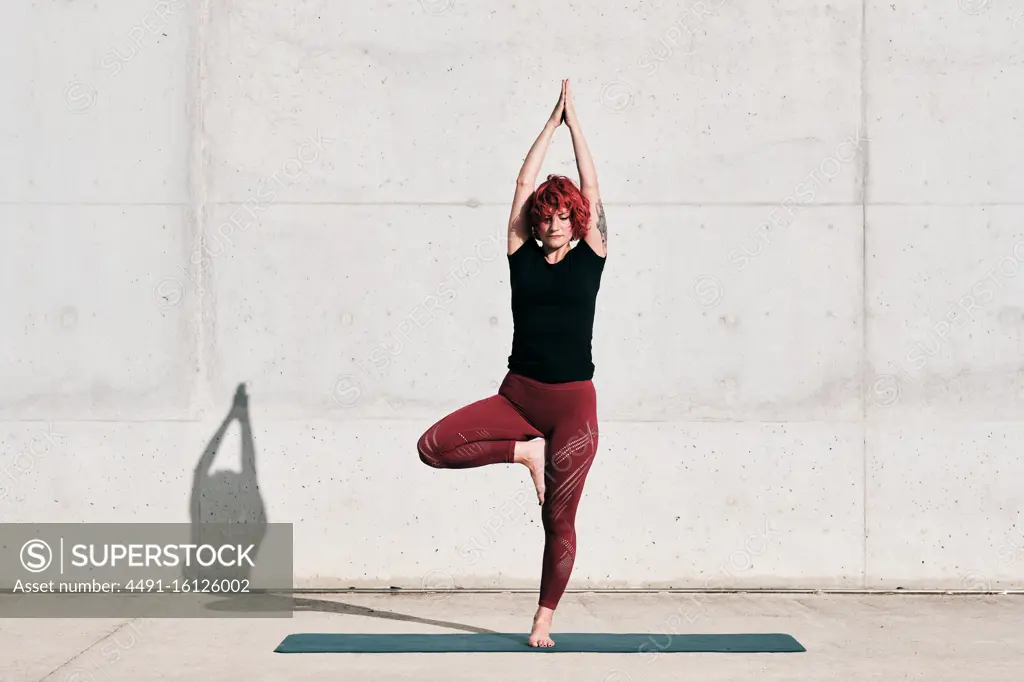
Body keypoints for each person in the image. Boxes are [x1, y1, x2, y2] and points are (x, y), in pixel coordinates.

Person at [417, 79, 607, 648]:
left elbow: (593, 188)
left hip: (574, 406)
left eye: (561, 218)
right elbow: (524, 184)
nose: (552, 226)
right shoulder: (519, 256)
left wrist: (577, 129)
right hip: (518, 397)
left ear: (577, 223)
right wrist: (550, 124)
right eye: (544, 217)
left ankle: (543, 618)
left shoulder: (591, 258)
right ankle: (525, 451)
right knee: (433, 447)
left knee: (559, 522)